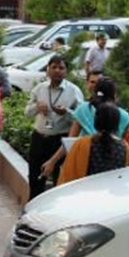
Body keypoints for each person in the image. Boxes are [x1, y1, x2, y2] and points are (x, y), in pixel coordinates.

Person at [41, 77, 129, 178]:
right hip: (112, 165)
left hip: (83, 160)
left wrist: (52, 161)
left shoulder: (84, 109)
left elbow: (69, 142)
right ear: (115, 95)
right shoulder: (125, 117)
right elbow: (122, 143)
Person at [25, 55, 84, 199]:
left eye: (61, 68)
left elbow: (82, 117)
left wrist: (67, 112)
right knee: (35, 178)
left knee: (59, 179)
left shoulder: (73, 91)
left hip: (59, 141)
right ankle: (32, 209)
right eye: (54, 67)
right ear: (48, 70)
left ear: (66, 71)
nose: (57, 71)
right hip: (39, 138)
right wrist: (37, 107)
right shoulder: (40, 89)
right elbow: (26, 112)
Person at [58, 103, 129, 185]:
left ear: (96, 121)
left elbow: (68, 175)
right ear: (117, 123)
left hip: (84, 193)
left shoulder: (81, 144)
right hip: (111, 194)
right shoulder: (125, 148)